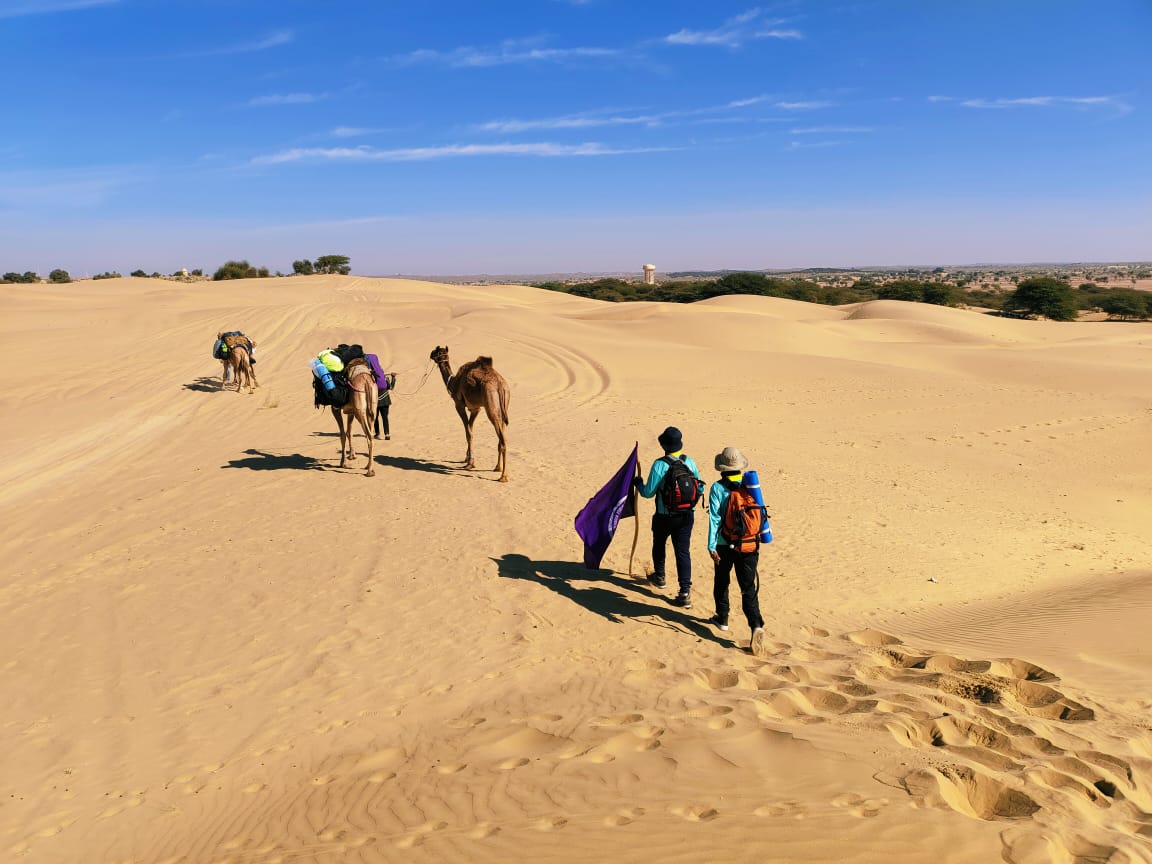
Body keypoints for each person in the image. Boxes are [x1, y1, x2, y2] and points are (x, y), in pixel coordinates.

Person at [705, 446, 766, 656]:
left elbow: (714, 518)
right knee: (748, 588)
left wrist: (711, 545)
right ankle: (756, 624)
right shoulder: (751, 485)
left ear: (722, 467)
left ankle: (722, 618)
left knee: (722, 580)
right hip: (749, 544)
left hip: (724, 544)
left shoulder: (717, 488)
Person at [634, 426, 702, 608]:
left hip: (665, 516)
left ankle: (660, 577)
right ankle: (685, 591)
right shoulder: (690, 462)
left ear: (664, 445)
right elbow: (699, 488)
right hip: (687, 516)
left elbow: (648, 493)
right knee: (682, 552)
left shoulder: (660, 464)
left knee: (659, 544)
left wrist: (639, 484)